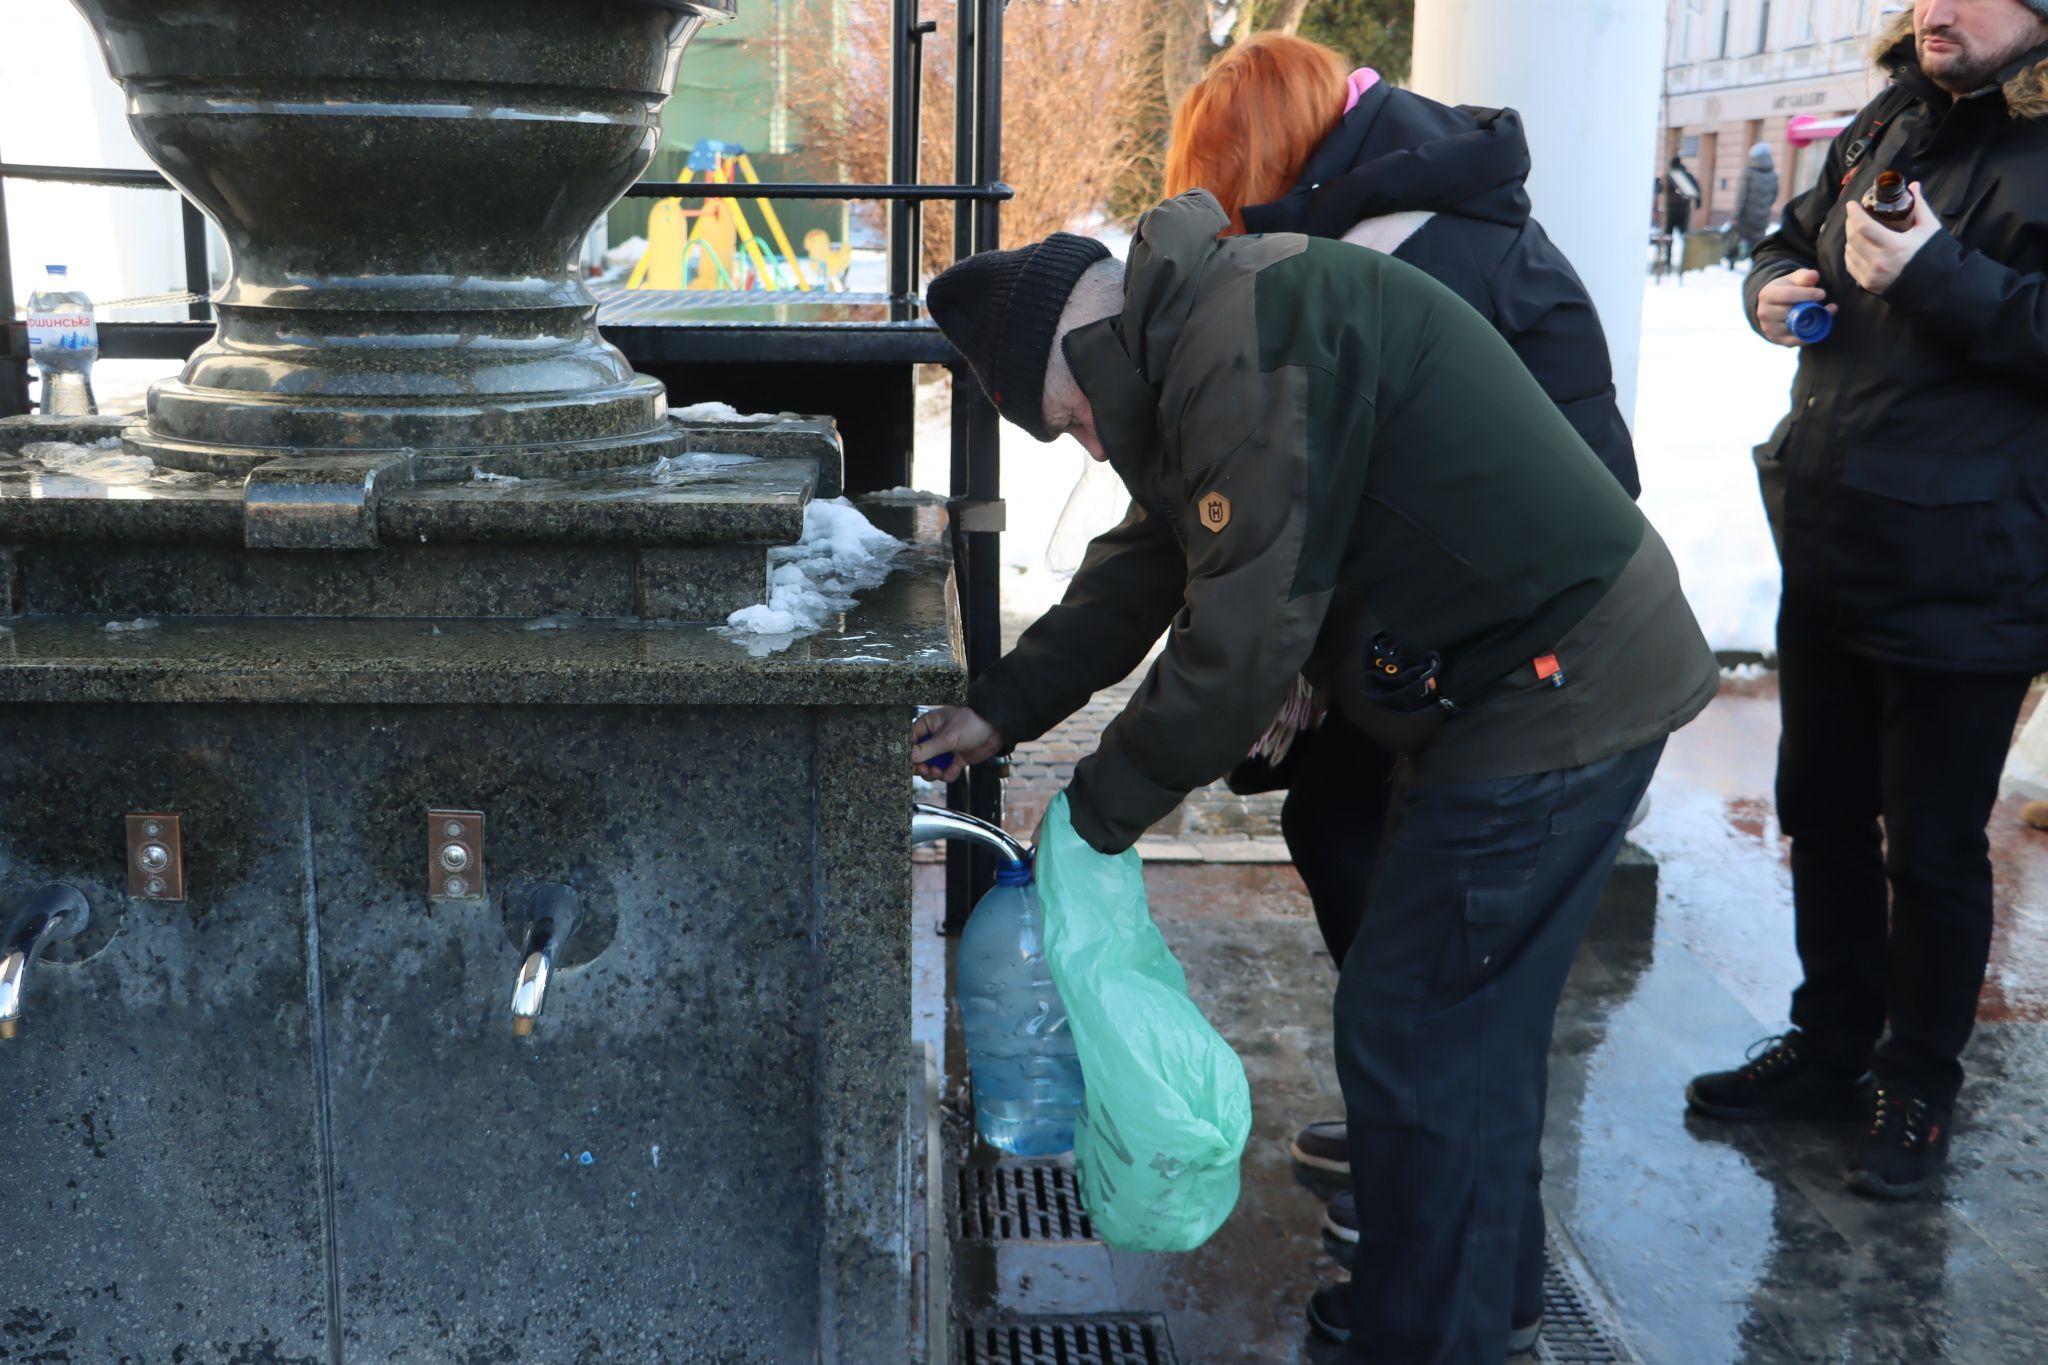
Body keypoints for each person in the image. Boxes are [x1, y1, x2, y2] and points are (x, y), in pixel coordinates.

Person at [910, 190, 1718, 1361]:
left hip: (1555, 685)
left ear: (1079, 348)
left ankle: (1423, 1335)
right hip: (1524, 678)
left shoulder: (1237, 347)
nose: (1087, 444)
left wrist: (1096, 813)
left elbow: (1240, 646)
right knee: (1460, 1026)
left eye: (1067, 417)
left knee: (1417, 1027)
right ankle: (1475, 1304)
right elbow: (1148, 561)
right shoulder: (1201, 331)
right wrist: (1003, 707)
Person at [1155, 30, 1644, 1257]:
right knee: (1360, 867)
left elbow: (1342, 501)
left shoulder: (1404, 253)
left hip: (1516, 653)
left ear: (1270, 160)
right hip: (1458, 631)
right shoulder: (1394, 222)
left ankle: (1429, 1195)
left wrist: (1269, 658)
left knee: (1423, 959)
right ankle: (1415, 1150)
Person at [1687, 0, 2048, 1201]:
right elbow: (1785, 237)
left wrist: (1937, 276)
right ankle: (1829, 1041)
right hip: (1834, 537)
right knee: (1822, 812)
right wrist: (1767, 287)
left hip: (1973, 566)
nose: (1932, 10)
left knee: (1932, 849)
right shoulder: (1893, 114)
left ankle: (1916, 1084)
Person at [1726, 141, 1779, 266]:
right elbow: (1774, 196)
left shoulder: (1748, 173)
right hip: (1762, 216)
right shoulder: (1773, 175)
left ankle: (1732, 261)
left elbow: (1741, 197)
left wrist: (1736, 215)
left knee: (1737, 238)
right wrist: (1765, 207)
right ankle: (1754, 266)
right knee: (1758, 243)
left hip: (1746, 216)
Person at [1657, 155, 1702, 272]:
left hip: (1671, 211)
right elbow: (1696, 189)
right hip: (1684, 211)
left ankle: (1668, 261)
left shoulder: (1670, 176)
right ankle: (1685, 262)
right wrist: (1698, 202)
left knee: (1669, 238)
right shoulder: (1686, 175)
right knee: (1684, 238)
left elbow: (1659, 189)